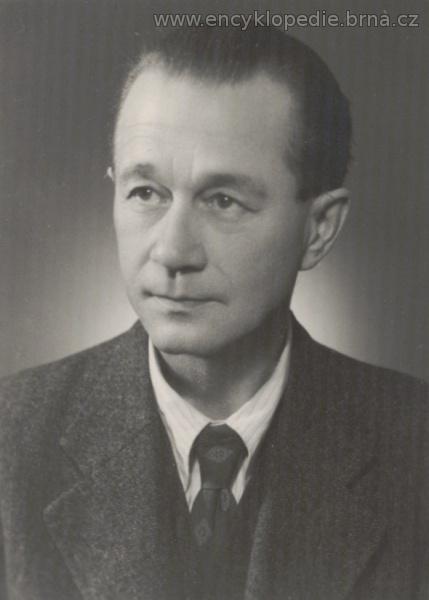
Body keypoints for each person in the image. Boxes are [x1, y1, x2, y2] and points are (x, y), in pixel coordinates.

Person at [0, 24, 427, 600]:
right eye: (146, 192)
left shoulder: (415, 449)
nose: (173, 252)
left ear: (319, 229)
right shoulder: (12, 440)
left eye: (223, 200)